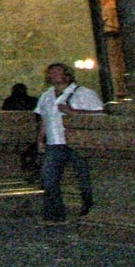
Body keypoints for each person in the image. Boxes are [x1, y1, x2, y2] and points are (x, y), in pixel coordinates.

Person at [34, 62, 103, 222]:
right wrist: (40, 139)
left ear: (67, 75)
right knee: (48, 178)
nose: (53, 75)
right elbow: (44, 119)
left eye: (57, 72)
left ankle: (89, 209)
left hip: (77, 142)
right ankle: (55, 214)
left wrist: (72, 112)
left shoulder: (84, 93)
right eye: (50, 72)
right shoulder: (46, 96)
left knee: (85, 178)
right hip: (54, 142)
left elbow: (99, 114)